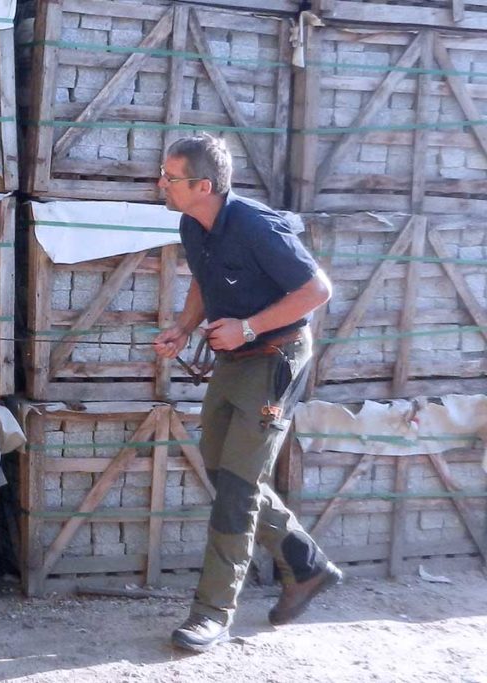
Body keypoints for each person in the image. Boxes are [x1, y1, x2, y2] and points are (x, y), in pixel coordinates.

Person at [152, 134, 342, 653]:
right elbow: (202, 278)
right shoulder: (193, 223)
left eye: (170, 178)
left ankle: (212, 613)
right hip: (233, 357)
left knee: (237, 488)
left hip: (275, 358)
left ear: (204, 185)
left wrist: (250, 328)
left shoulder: (257, 228)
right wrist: (185, 327)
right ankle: (306, 565)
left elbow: (317, 290)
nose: (160, 184)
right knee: (218, 465)